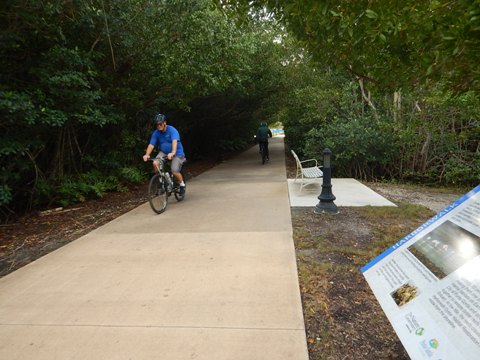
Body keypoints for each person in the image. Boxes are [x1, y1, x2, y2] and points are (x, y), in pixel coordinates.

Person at [143, 113, 186, 195]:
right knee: (155, 163)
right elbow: (151, 145)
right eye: (157, 124)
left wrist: (173, 152)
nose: (159, 126)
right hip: (164, 152)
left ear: (165, 122)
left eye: (160, 123)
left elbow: (174, 141)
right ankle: (161, 182)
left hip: (177, 153)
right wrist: (147, 154)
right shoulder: (156, 133)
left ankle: (182, 185)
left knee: (174, 170)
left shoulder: (172, 130)